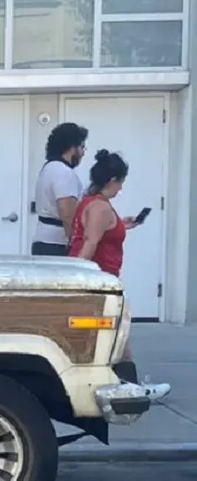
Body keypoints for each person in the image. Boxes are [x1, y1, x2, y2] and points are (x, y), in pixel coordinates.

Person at [68, 149, 170, 400]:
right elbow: (91, 242)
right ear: (112, 180)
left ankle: (129, 386)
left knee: (117, 333)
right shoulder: (101, 208)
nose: (121, 189)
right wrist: (74, 276)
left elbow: (98, 233)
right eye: (121, 183)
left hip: (102, 277)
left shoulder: (92, 203)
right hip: (101, 279)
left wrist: (123, 224)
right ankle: (130, 388)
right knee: (119, 332)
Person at [31, 122, 87, 256]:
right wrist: (75, 244)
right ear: (72, 148)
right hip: (58, 243)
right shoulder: (64, 173)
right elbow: (67, 213)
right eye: (82, 147)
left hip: (42, 240)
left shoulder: (48, 168)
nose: (83, 152)